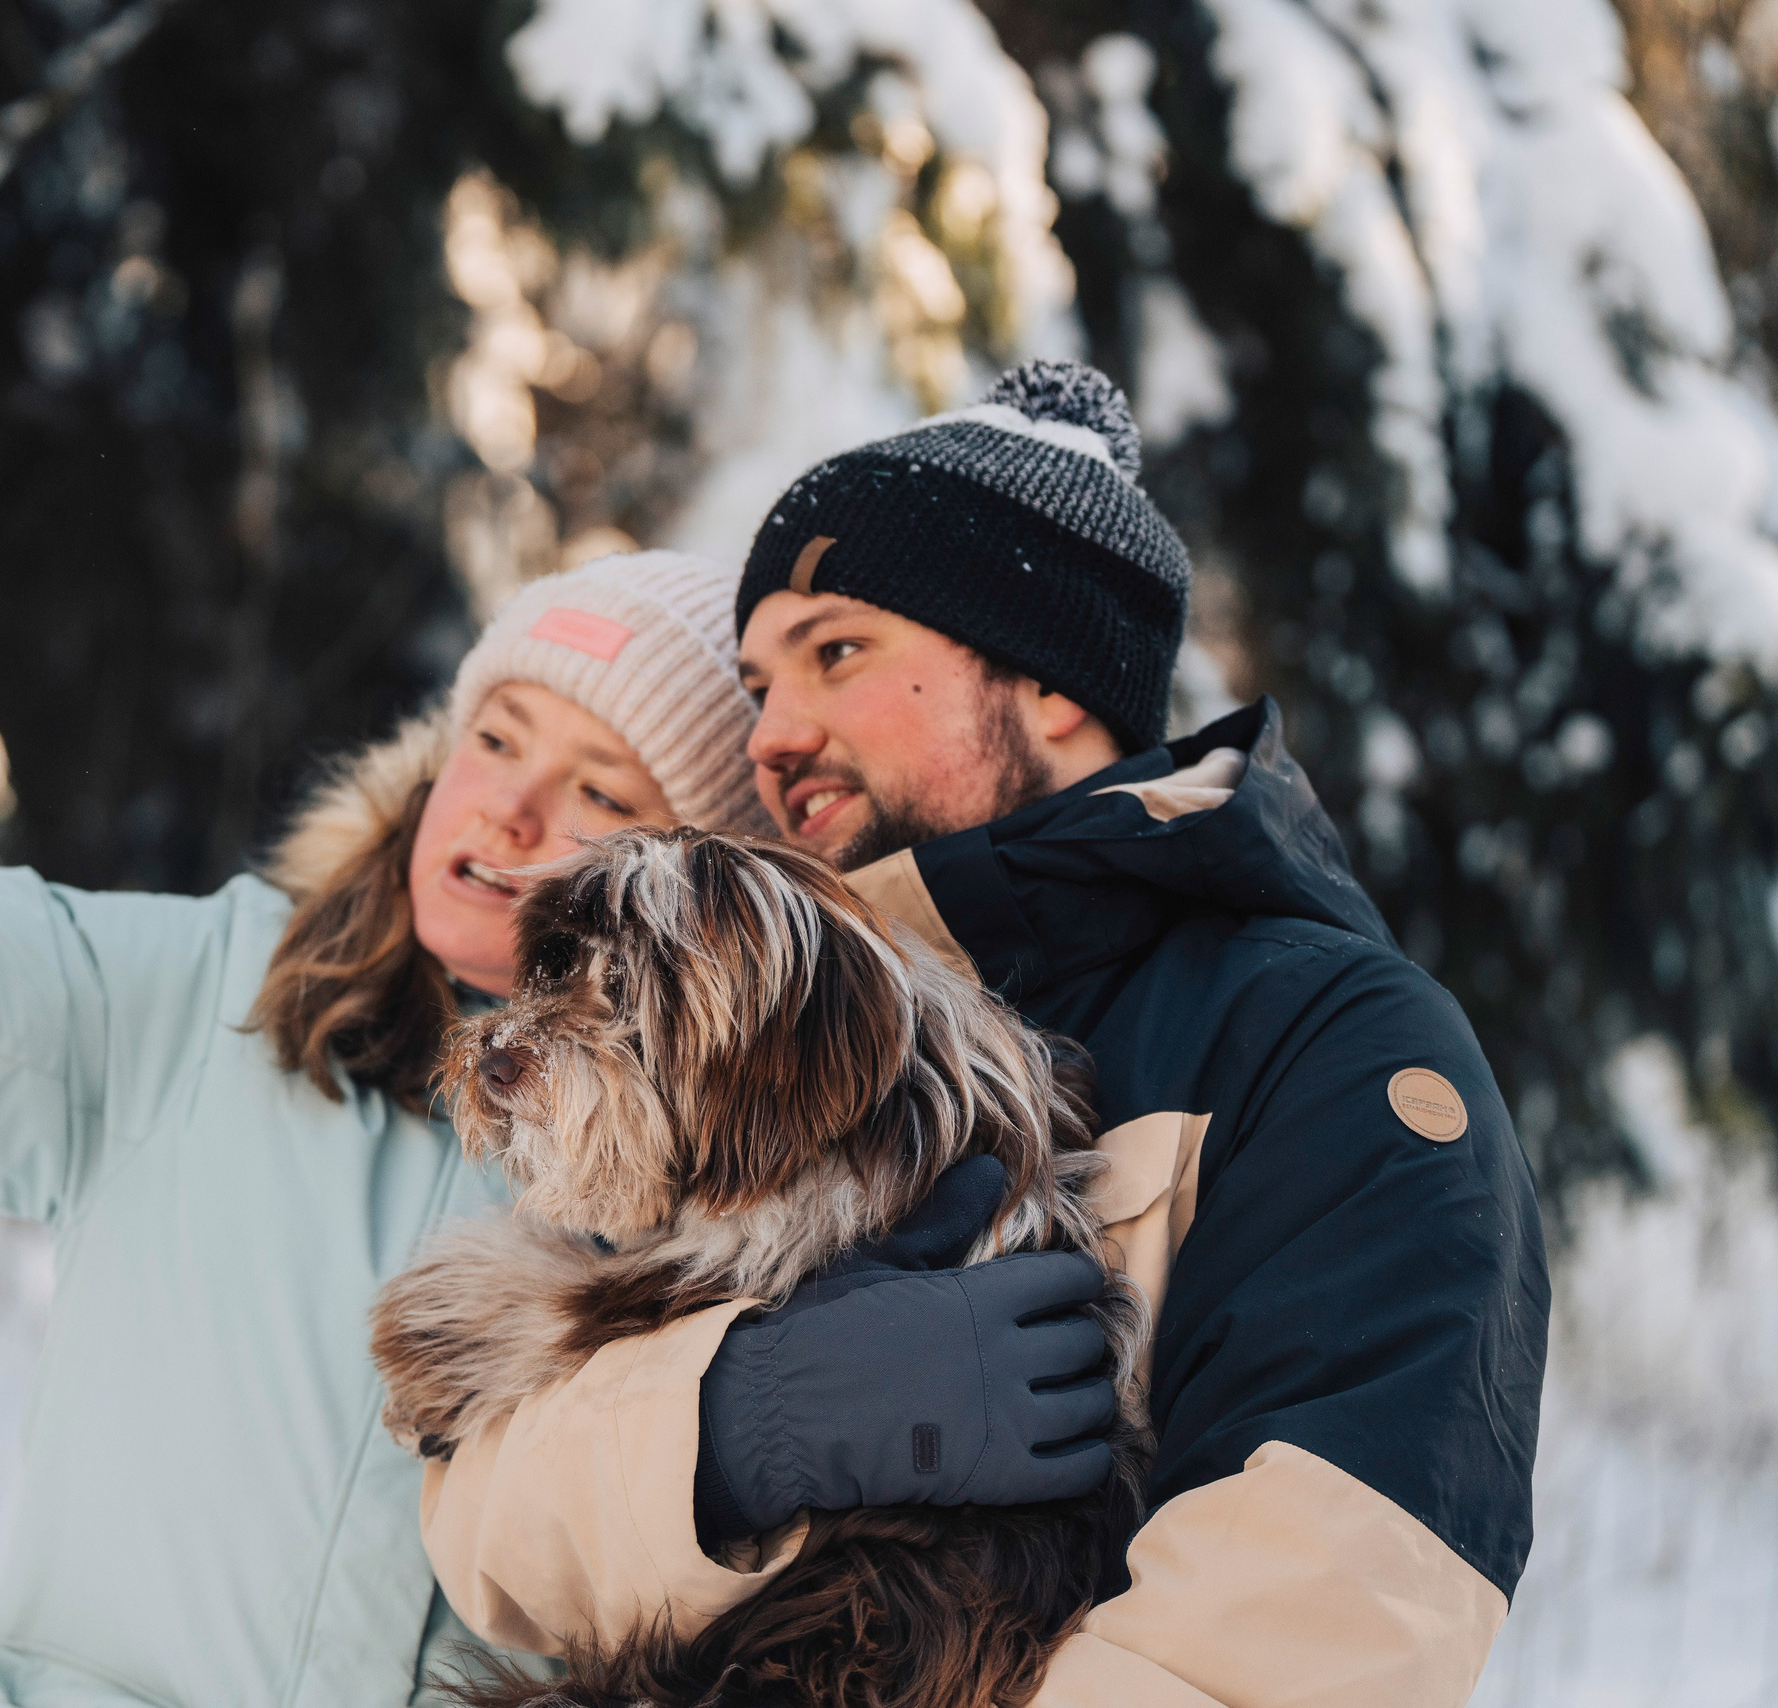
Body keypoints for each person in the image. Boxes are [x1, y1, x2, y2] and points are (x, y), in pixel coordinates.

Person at [0, 516, 1118, 1706]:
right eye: (493, 741)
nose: (502, 820)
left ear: (698, 891)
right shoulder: (203, 1007)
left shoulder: (752, 1202)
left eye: (598, 795)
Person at [420, 362, 1551, 1707]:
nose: (773, 735)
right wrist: (734, 1431)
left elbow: (1318, 1622)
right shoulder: (730, 1026)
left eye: (836, 655)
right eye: (755, 683)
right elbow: (485, 1534)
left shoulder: (1326, 1044)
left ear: (1053, 683)